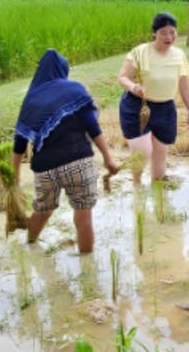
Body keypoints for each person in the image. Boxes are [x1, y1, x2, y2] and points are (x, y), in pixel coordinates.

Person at [12, 49, 119, 254]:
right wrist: (108, 159)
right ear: (63, 70)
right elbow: (92, 127)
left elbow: (19, 143)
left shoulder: (31, 101)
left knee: (43, 210)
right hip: (78, 162)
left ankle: (30, 250)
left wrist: (14, 179)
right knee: (83, 214)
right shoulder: (74, 90)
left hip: (45, 169)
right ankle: (87, 266)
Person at [118, 12, 189, 182]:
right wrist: (133, 87)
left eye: (172, 32)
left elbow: (184, 84)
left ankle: (158, 191)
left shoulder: (179, 55)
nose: (169, 37)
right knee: (142, 152)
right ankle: (137, 189)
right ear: (154, 33)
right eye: (164, 33)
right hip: (138, 106)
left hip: (165, 107)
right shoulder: (140, 52)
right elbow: (122, 77)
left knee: (160, 152)